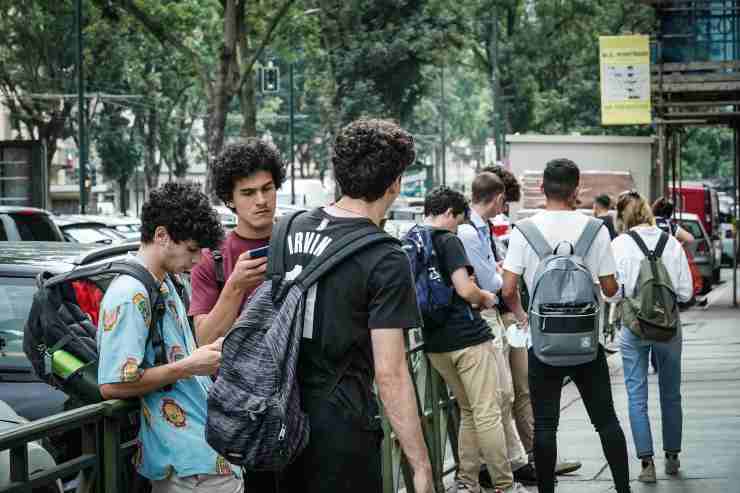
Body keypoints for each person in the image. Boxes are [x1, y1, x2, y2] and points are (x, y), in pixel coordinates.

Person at [279, 119, 433, 493]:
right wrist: (421, 465)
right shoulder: (385, 257)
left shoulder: (288, 227)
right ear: (395, 183)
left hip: (279, 416)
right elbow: (391, 372)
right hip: (342, 426)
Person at [97, 183, 245, 493]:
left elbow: (176, 357)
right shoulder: (130, 293)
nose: (198, 259)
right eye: (192, 249)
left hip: (201, 454)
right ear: (161, 235)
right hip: (189, 463)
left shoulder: (164, 281)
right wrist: (189, 366)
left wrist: (201, 357)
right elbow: (113, 384)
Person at [501, 159, 631, 493]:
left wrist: (523, 317)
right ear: (577, 189)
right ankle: (623, 489)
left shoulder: (524, 231)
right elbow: (610, 289)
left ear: (541, 188)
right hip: (586, 345)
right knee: (606, 421)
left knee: (546, 426)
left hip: (543, 344)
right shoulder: (595, 230)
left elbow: (508, 289)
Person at [422, 185, 527, 493]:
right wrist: (487, 298)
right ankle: (505, 484)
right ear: (448, 213)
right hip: (467, 338)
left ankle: (467, 481)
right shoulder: (448, 240)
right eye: (457, 220)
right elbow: (465, 289)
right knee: (487, 412)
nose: (459, 227)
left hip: (434, 343)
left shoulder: (410, 240)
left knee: (469, 410)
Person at [481, 164, 582, 478]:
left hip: (509, 313)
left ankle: (534, 457)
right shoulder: (487, 227)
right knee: (510, 393)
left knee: (519, 391)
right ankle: (521, 460)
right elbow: (504, 280)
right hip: (505, 314)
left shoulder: (493, 227)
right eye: (504, 202)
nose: (504, 210)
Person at [457, 172, 537, 486]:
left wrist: (499, 274)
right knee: (494, 399)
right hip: (485, 317)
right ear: (499, 198)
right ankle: (492, 472)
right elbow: (492, 281)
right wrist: (502, 276)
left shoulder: (480, 227)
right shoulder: (469, 231)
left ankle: (505, 465)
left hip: (492, 315)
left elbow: (493, 273)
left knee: (502, 395)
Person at [611, 191, 692, 483]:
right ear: (647, 211)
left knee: (636, 395)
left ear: (621, 217)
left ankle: (647, 464)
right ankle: (672, 457)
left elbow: (612, 294)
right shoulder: (671, 243)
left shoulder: (619, 245)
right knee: (671, 393)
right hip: (669, 327)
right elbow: (686, 293)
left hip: (634, 328)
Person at [189, 140, 285, 347]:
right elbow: (205, 341)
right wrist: (235, 286)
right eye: (248, 193)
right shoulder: (211, 258)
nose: (261, 200)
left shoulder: (298, 242)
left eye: (267, 188)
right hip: (235, 366)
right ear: (229, 199)